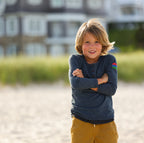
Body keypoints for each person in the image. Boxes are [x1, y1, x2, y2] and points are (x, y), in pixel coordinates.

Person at [69, 18, 118, 143]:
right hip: (81, 121)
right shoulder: (75, 60)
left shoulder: (110, 60)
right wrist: (101, 80)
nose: (92, 46)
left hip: (106, 121)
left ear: (103, 43)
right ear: (80, 44)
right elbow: (76, 83)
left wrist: (85, 81)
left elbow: (111, 89)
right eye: (87, 42)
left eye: (96, 42)